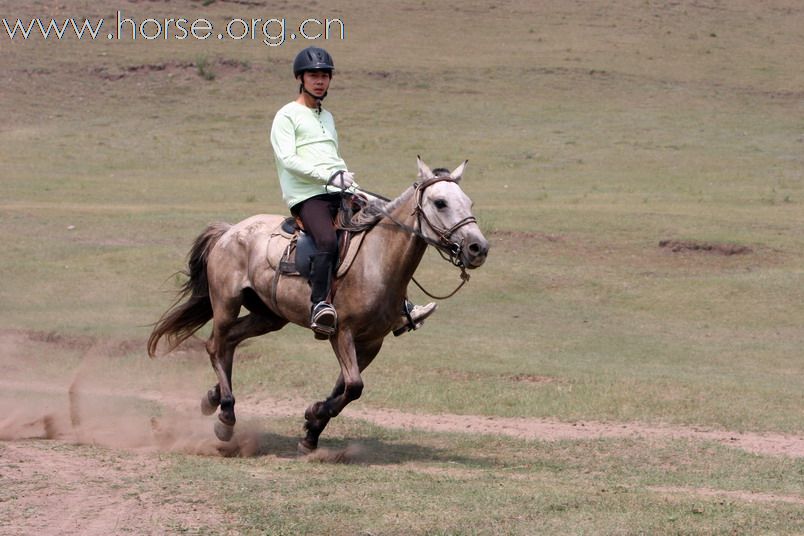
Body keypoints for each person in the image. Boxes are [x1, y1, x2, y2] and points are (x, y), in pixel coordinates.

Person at [270, 46, 436, 338]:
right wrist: (329, 176)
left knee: (389, 228)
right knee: (326, 241)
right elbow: (288, 160)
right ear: (301, 78)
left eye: (325, 76)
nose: (320, 81)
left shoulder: (327, 117)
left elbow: (333, 158)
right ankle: (320, 304)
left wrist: (354, 188)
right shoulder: (287, 115)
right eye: (313, 76)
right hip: (308, 196)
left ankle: (400, 307)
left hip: (339, 190)